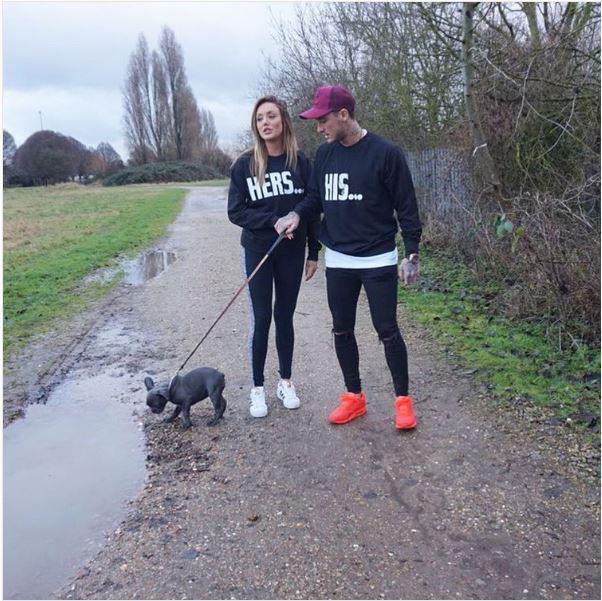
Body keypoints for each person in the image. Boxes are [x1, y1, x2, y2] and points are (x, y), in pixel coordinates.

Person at [275, 85, 422, 430]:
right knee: (342, 330)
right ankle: (353, 397)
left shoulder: (386, 153)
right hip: (340, 259)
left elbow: (407, 207)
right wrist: (297, 214)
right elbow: (314, 198)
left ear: (344, 115)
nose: (319, 128)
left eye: (323, 120)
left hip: (378, 258)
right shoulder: (325, 156)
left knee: (387, 330)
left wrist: (411, 252)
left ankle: (403, 402)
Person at [228, 95, 320, 418]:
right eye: (259, 119)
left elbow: (312, 203)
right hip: (259, 252)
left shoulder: (301, 163)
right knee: (262, 319)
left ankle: (285, 381)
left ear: (283, 121)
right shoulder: (245, 165)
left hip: (292, 254)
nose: (265, 123)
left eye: (271, 117)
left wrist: (313, 251)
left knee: (284, 316)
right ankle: (257, 389)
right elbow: (235, 211)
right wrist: (272, 221)